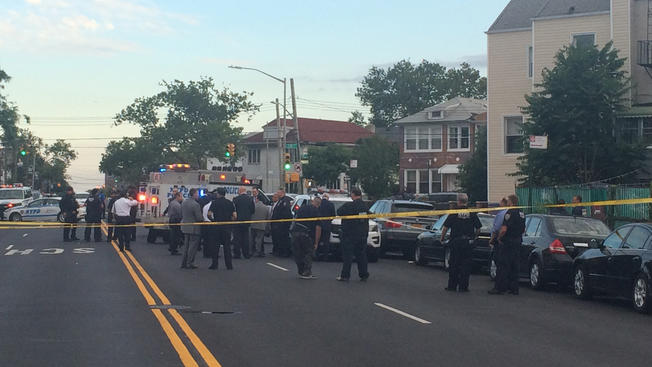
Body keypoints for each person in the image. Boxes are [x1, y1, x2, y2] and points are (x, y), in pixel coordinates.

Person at [440, 194, 482, 292]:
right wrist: (474, 237)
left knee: (454, 264)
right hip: (468, 242)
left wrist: (442, 238)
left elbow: (445, 227)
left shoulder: (454, 212)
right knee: (466, 265)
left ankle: (452, 286)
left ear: (458, 201)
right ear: (467, 201)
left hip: (456, 241)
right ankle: (463, 286)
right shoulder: (471, 213)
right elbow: (479, 228)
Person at [489, 194, 526, 295]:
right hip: (518, 241)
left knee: (503, 265)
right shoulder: (521, 213)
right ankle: (514, 288)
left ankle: (500, 288)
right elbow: (524, 229)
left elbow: (504, 229)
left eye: (509, 201)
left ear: (511, 202)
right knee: (515, 265)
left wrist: (499, 238)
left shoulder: (509, 213)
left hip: (508, 242)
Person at [336, 188, 370, 282]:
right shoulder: (365, 206)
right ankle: (364, 275)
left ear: (353, 194)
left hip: (349, 234)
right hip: (362, 234)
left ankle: (345, 276)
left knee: (348, 256)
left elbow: (339, 212)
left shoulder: (349, 205)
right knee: (361, 255)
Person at [291, 196, 322, 279]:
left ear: (312, 201)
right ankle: (307, 272)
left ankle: (301, 271)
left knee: (298, 252)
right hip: (306, 233)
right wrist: (316, 242)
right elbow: (318, 228)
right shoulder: (316, 211)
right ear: (319, 204)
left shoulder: (302, 208)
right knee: (308, 252)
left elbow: (295, 218)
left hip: (295, 231)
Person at [207, 188, 235, 270]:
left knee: (215, 246)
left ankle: (214, 264)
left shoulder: (214, 203)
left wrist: (212, 220)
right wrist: (230, 221)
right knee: (227, 246)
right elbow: (235, 215)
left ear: (218, 194)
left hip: (217, 226)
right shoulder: (230, 203)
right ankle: (229, 265)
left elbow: (209, 214)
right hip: (226, 227)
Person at [180, 188, 203, 269]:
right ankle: (190, 263)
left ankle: (183, 262)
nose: (198, 195)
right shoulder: (196, 205)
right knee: (192, 247)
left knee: (186, 246)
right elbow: (199, 218)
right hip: (194, 228)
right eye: (197, 194)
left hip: (185, 227)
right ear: (194, 194)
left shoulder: (184, 203)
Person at [232, 186, 255, 259]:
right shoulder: (250, 199)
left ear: (241, 191)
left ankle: (237, 253)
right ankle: (246, 253)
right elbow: (252, 210)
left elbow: (233, 210)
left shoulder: (236, 199)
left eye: (238, 190)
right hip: (247, 221)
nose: (238, 192)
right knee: (246, 238)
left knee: (237, 238)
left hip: (237, 221)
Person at [271, 188, 293, 257]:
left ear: (282, 193)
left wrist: (282, 221)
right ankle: (280, 251)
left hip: (283, 224)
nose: (277, 194)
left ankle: (285, 252)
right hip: (278, 224)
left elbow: (286, 213)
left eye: (279, 193)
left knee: (284, 238)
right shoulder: (280, 200)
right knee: (279, 238)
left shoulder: (285, 201)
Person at [318, 193, 336, 259]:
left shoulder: (319, 203)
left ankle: (317, 254)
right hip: (327, 225)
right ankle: (325, 256)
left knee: (317, 240)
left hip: (318, 225)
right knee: (326, 241)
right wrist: (329, 221)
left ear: (322, 197)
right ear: (328, 198)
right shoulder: (331, 204)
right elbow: (333, 215)